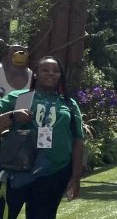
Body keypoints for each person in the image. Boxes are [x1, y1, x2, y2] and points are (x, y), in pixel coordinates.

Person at [0, 56, 84, 218]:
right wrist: (12, 116)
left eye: (56, 71)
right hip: (18, 170)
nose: (51, 74)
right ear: (36, 74)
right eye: (45, 70)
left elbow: (78, 141)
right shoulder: (22, 98)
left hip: (54, 171)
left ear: (61, 76)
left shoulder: (68, 104)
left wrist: (75, 177)